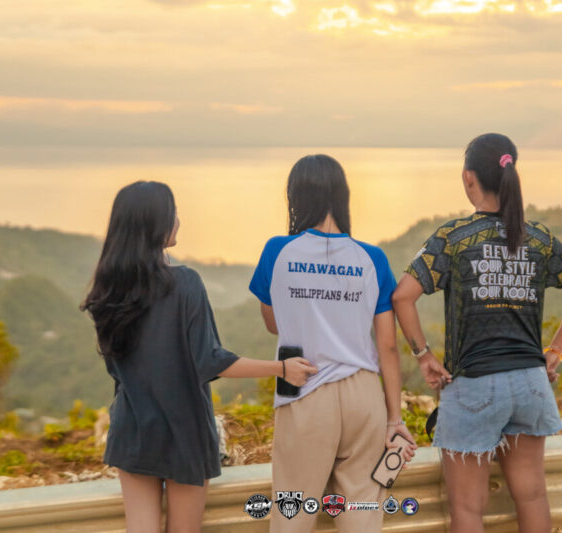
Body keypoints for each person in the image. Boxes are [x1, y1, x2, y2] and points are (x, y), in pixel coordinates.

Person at [392, 134, 562, 533]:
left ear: (468, 177)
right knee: (532, 496)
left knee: (468, 508)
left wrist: (424, 355)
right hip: (531, 383)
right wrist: (555, 351)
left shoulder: (453, 239)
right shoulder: (538, 238)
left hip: (474, 385)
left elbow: (403, 296)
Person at [81, 181, 317, 533]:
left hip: (132, 430)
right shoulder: (185, 283)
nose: (178, 219)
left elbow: (118, 370)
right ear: (157, 222)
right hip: (185, 434)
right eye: (173, 211)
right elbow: (210, 361)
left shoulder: (109, 290)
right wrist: (282, 368)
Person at [249, 155, 417, 533]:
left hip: (304, 386)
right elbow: (388, 347)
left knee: (293, 512)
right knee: (362, 508)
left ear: (296, 197)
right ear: (342, 196)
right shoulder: (373, 259)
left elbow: (274, 324)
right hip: (364, 395)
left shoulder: (277, 251)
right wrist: (394, 419)